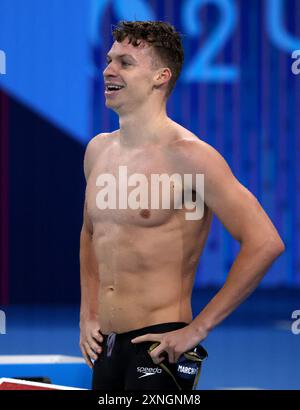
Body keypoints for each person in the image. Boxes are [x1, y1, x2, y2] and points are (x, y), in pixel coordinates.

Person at [79, 21, 285, 390]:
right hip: (106, 346)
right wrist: (89, 313)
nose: (108, 69)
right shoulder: (98, 151)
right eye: (110, 60)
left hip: (160, 347)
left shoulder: (191, 158)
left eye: (125, 63)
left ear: (161, 77)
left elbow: (265, 242)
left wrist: (198, 329)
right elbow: (91, 233)